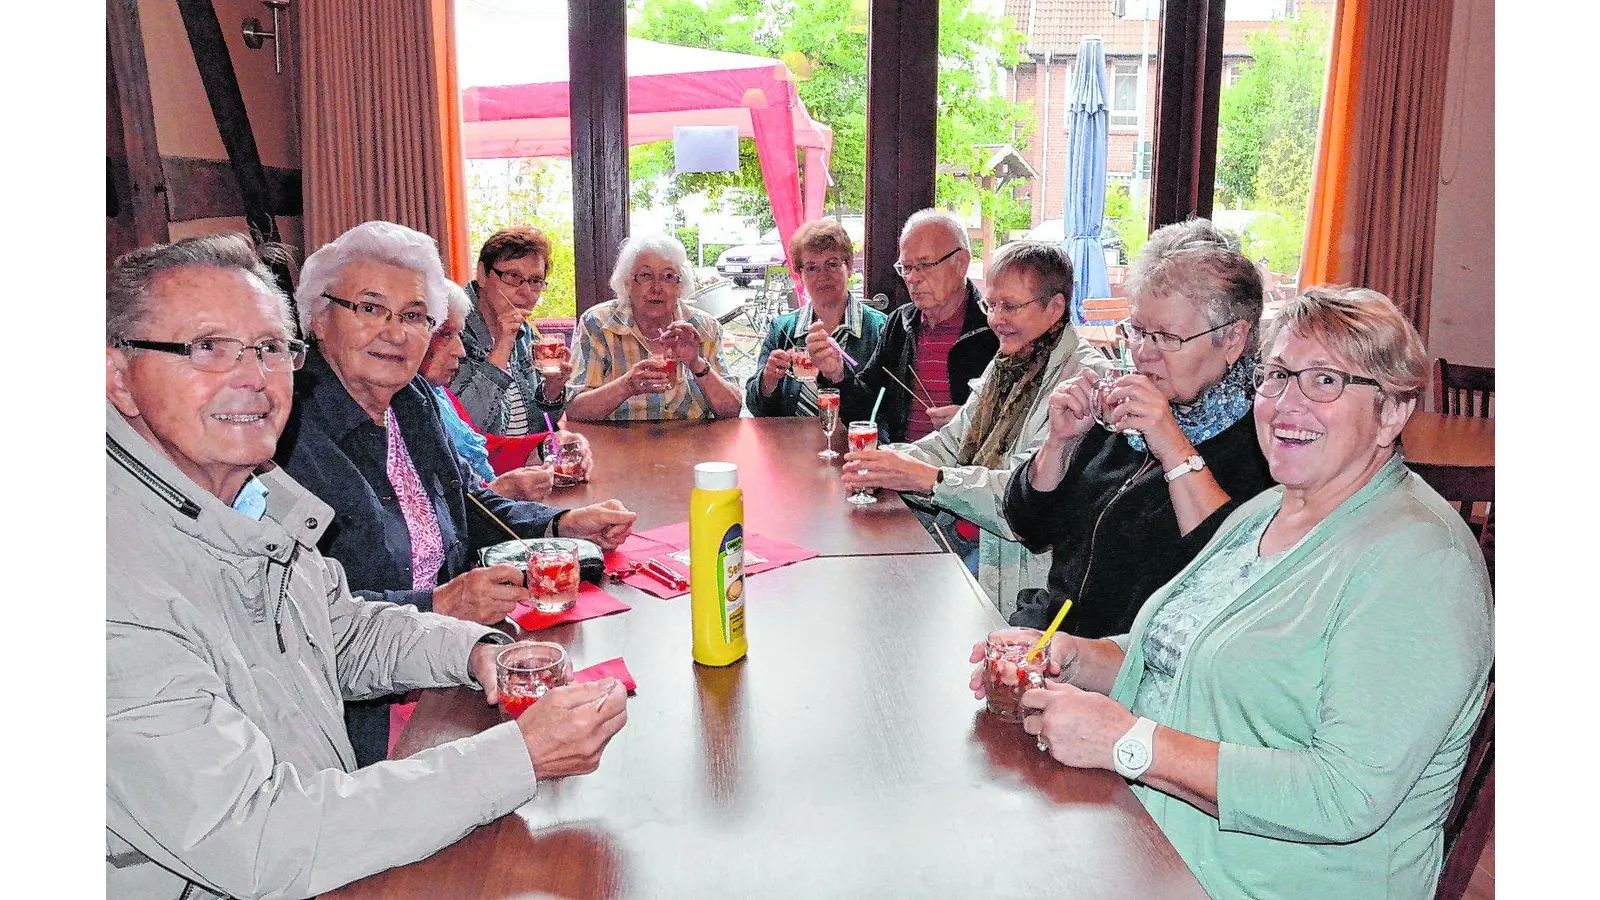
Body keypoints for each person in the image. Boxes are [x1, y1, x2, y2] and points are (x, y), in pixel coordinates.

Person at [107, 234, 628, 900]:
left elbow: (338, 629)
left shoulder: (249, 493)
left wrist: (479, 653)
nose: (252, 377)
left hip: (336, 826)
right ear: (117, 376)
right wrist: (516, 757)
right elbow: (260, 839)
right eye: (207, 348)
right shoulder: (109, 578)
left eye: (268, 348)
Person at [976, 286, 1493, 900]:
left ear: (1392, 413)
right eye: (1277, 376)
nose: (1286, 404)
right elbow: (1183, 656)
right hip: (1153, 837)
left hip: (1255, 880)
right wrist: (1074, 655)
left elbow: (1344, 796)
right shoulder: (1269, 509)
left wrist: (1130, 743)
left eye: (1325, 381)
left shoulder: (1419, 562)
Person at [276, 220, 638, 765]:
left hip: (457, 661)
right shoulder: (284, 434)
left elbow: (467, 501)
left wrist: (560, 524)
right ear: (318, 316)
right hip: (359, 717)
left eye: (415, 316)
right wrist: (438, 603)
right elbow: (290, 612)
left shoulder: (413, 400)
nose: (396, 332)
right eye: (371, 309)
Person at [1003, 219, 1275, 638]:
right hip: (1051, 637)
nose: (1143, 354)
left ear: (1234, 338)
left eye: (1166, 337)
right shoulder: (1122, 419)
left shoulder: (1264, 446)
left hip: (1135, 672)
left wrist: (1170, 443)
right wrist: (1058, 445)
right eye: (1137, 331)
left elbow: (1227, 578)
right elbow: (1030, 527)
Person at [839, 241, 1105, 614]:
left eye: (1009, 306)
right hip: (970, 540)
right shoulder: (1011, 360)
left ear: (1056, 307)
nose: (995, 319)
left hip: (1026, 581)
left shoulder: (1085, 383)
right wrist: (885, 461)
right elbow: (951, 442)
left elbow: (1025, 498)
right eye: (991, 305)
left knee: (884, 603)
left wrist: (928, 478)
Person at [810, 209, 999, 443]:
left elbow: (1021, 423)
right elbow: (865, 411)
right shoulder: (901, 323)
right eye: (906, 268)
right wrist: (837, 374)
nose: (913, 278)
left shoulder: (994, 327)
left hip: (964, 472)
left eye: (925, 265)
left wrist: (971, 419)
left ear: (961, 263)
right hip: (901, 464)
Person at [422, 281, 594, 501]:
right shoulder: (405, 411)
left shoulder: (436, 394)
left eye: (536, 281)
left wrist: (547, 443)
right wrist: (498, 492)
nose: (460, 350)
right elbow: (432, 511)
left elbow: (485, 447)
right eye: (446, 334)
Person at [565, 232, 744, 421]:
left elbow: (732, 410)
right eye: (646, 275)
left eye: (668, 276)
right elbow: (576, 411)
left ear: (680, 286)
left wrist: (696, 362)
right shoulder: (598, 324)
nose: (657, 287)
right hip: (619, 445)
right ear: (627, 283)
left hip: (691, 445)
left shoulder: (704, 327)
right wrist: (627, 385)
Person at [744, 218, 887, 421]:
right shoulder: (783, 329)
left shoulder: (881, 329)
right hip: (790, 447)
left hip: (855, 447)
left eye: (832, 264)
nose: (822, 276)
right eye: (811, 267)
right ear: (800, 275)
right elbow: (756, 408)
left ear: (849, 267)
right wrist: (767, 381)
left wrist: (838, 376)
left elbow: (884, 410)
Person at [450, 226, 572, 435]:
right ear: (482, 274)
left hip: (521, 464)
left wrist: (552, 390)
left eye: (535, 281)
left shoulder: (526, 334)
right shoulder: (450, 328)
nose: (525, 291)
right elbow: (462, 432)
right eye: (512, 276)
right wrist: (502, 346)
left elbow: (537, 430)